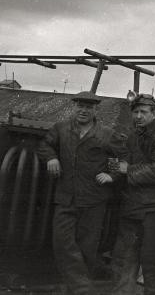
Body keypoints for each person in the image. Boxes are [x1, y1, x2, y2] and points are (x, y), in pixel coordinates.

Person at [37, 91, 125, 295]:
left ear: (95, 110)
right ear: (74, 107)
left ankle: (73, 289)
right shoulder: (61, 128)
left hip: (94, 199)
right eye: (80, 106)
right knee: (62, 242)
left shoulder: (106, 134)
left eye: (89, 107)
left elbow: (123, 158)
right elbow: (44, 145)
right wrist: (51, 157)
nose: (84, 110)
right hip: (66, 196)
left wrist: (112, 176)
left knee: (87, 247)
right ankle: (82, 289)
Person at [108, 93, 155, 295]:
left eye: (143, 112)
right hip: (132, 208)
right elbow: (125, 161)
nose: (138, 116)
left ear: (154, 114)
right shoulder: (133, 135)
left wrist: (127, 169)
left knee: (152, 263)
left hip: (154, 211)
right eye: (135, 112)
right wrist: (114, 168)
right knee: (123, 260)